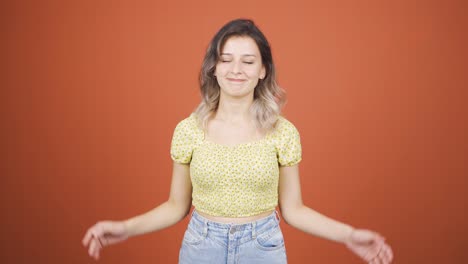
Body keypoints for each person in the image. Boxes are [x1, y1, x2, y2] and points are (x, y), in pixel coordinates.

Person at [82, 18, 394, 264]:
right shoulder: (189, 130)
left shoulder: (282, 132)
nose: (236, 69)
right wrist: (124, 230)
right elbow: (176, 206)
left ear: (262, 70)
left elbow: (294, 210)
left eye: (248, 61)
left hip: (263, 248)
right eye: (226, 59)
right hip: (201, 248)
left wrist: (349, 236)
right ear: (214, 68)